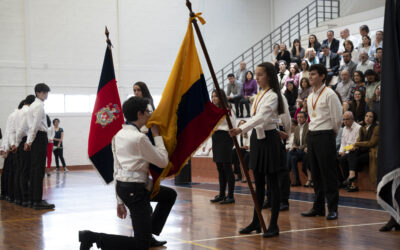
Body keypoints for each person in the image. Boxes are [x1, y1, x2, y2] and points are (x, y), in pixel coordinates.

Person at [79, 96, 176, 250]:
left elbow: (116, 169)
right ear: (139, 114)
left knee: (169, 195)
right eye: (147, 112)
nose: (149, 115)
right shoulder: (139, 138)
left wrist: (119, 201)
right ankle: (92, 237)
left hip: (126, 189)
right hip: (136, 191)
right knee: (140, 245)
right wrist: (157, 136)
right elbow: (163, 161)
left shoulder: (118, 136)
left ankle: (148, 231)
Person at [229, 62, 289, 238]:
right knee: (258, 184)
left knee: (272, 185)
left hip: (270, 141)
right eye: (256, 74)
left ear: (269, 76)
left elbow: (263, 117)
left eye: (260, 74)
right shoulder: (259, 94)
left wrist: (241, 129)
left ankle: (274, 224)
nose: (256, 77)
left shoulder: (274, 96)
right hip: (258, 140)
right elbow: (257, 118)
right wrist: (244, 126)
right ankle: (256, 221)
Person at [301, 64, 342, 220]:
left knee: (328, 173)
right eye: (309, 74)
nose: (310, 77)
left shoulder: (330, 94)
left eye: (313, 74)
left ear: (322, 76)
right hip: (312, 135)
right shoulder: (310, 96)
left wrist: (330, 134)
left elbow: (337, 119)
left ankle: (332, 209)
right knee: (316, 174)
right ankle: (318, 207)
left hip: (325, 135)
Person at [25, 83, 55, 210]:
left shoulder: (33, 105)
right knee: (38, 170)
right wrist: (30, 141)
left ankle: (33, 199)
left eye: (47, 92)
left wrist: (29, 140)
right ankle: (37, 200)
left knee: (34, 169)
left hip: (36, 138)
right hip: (39, 137)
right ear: (37, 93)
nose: (46, 95)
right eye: (44, 92)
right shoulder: (38, 106)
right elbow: (35, 126)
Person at [210, 90, 236, 204]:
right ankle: (221, 194)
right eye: (212, 96)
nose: (214, 98)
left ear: (221, 97)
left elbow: (233, 125)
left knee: (227, 168)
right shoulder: (212, 110)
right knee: (220, 168)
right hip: (216, 138)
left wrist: (232, 140)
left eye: (216, 96)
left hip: (225, 137)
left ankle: (230, 196)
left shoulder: (227, 109)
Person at [342, 111, 379, 192]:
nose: (368, 118)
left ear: (374, 119)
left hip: (371, 152)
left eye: (370, 117)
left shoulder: (376, 128)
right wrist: (347, 149)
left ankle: (352, 183)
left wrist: (356, 144)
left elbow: (371, 143)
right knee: (344, 158)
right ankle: (350, 179)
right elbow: (357, 142)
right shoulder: (362, 128)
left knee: (352, 158)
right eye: (366, 116)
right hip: (362, 151)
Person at [15, 95, 36, 206]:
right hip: (25, 142)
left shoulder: (18, 112)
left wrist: (16, 143)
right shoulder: (27, 111)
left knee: (21, 171)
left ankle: (20, 198)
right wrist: (20, 143)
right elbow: (22, 129)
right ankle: (26, 198)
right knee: (26, 172)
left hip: (20, 141)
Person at [337, 111, 361, 183]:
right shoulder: (344, 128)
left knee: (342, 159)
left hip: (353, 151)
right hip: (345, 151)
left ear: (352, 119)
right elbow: (343, 142)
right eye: (343, 119)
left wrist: (345, 150)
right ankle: (341, 180)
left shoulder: (358, 128)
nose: (345, 121)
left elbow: (355, 144)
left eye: (347, 119)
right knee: (331, 159)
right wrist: (341, 151)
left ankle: (349, 180)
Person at [287, 111, 309, 186]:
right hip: (298, 151)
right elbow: (294, 141)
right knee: (292, 158)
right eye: (298, 117)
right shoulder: (296, 128)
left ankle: (287, 176)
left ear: (306, 118)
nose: (299, 119)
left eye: (301, 117)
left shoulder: (309, 127)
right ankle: (297, 180)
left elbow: (308, 142)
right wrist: (294, 145)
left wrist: (299, 147)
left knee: (290, 153)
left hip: (306, 151)